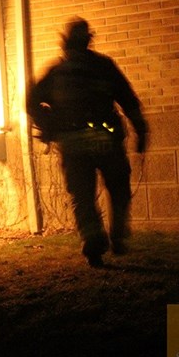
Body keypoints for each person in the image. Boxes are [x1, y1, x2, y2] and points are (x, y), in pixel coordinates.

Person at [27, 17, 148, 267]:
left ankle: (93, 242)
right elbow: (128, 100)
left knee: (82, 197)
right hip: (107, 142)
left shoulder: (57, 72)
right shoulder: (104, 67)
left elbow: (31, 101)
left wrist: (47, 123)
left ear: (66, 42)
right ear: (88, 41)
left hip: (73, 145)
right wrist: (141, 131)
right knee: (118, 189)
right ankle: (118, 234)